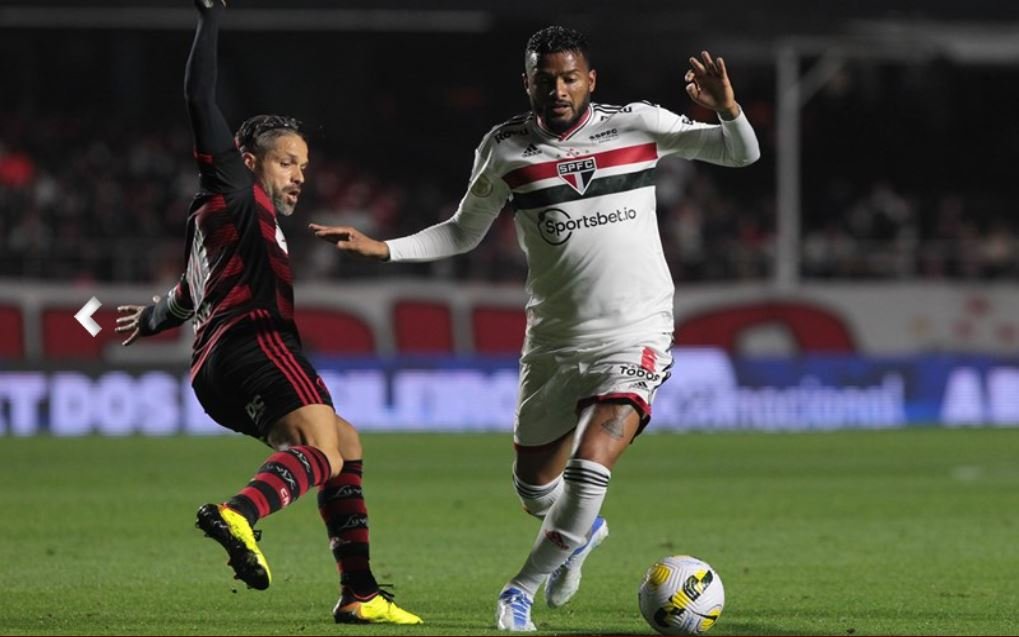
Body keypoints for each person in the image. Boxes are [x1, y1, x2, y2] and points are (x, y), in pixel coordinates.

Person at [310, 25, 759, 632]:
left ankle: (517, 591)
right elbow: (461, 231)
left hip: (637, 333)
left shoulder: (637, 124)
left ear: (590, 80)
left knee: (592, 463)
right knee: (534, 492)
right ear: (526, 82)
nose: (558, 89)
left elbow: (741, 152)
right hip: (553, 343)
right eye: (545, 79)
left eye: (570, 76)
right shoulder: (504, 149)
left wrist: (727, 108)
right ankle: (582, 533)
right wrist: (384, 249)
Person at [114, 0, 421, 626]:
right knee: (322, 447)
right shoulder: (232, 185)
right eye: (288, 161)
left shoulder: (226, 222)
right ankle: (239, 513)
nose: (299, 175)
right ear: (248, 159)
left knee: (343, 444)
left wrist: (151, 318)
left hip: (213, 369)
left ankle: (359, 592)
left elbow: (185, 295)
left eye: (305, 166)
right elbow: (200, 100)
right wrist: (209, 17)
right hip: (257, 343)